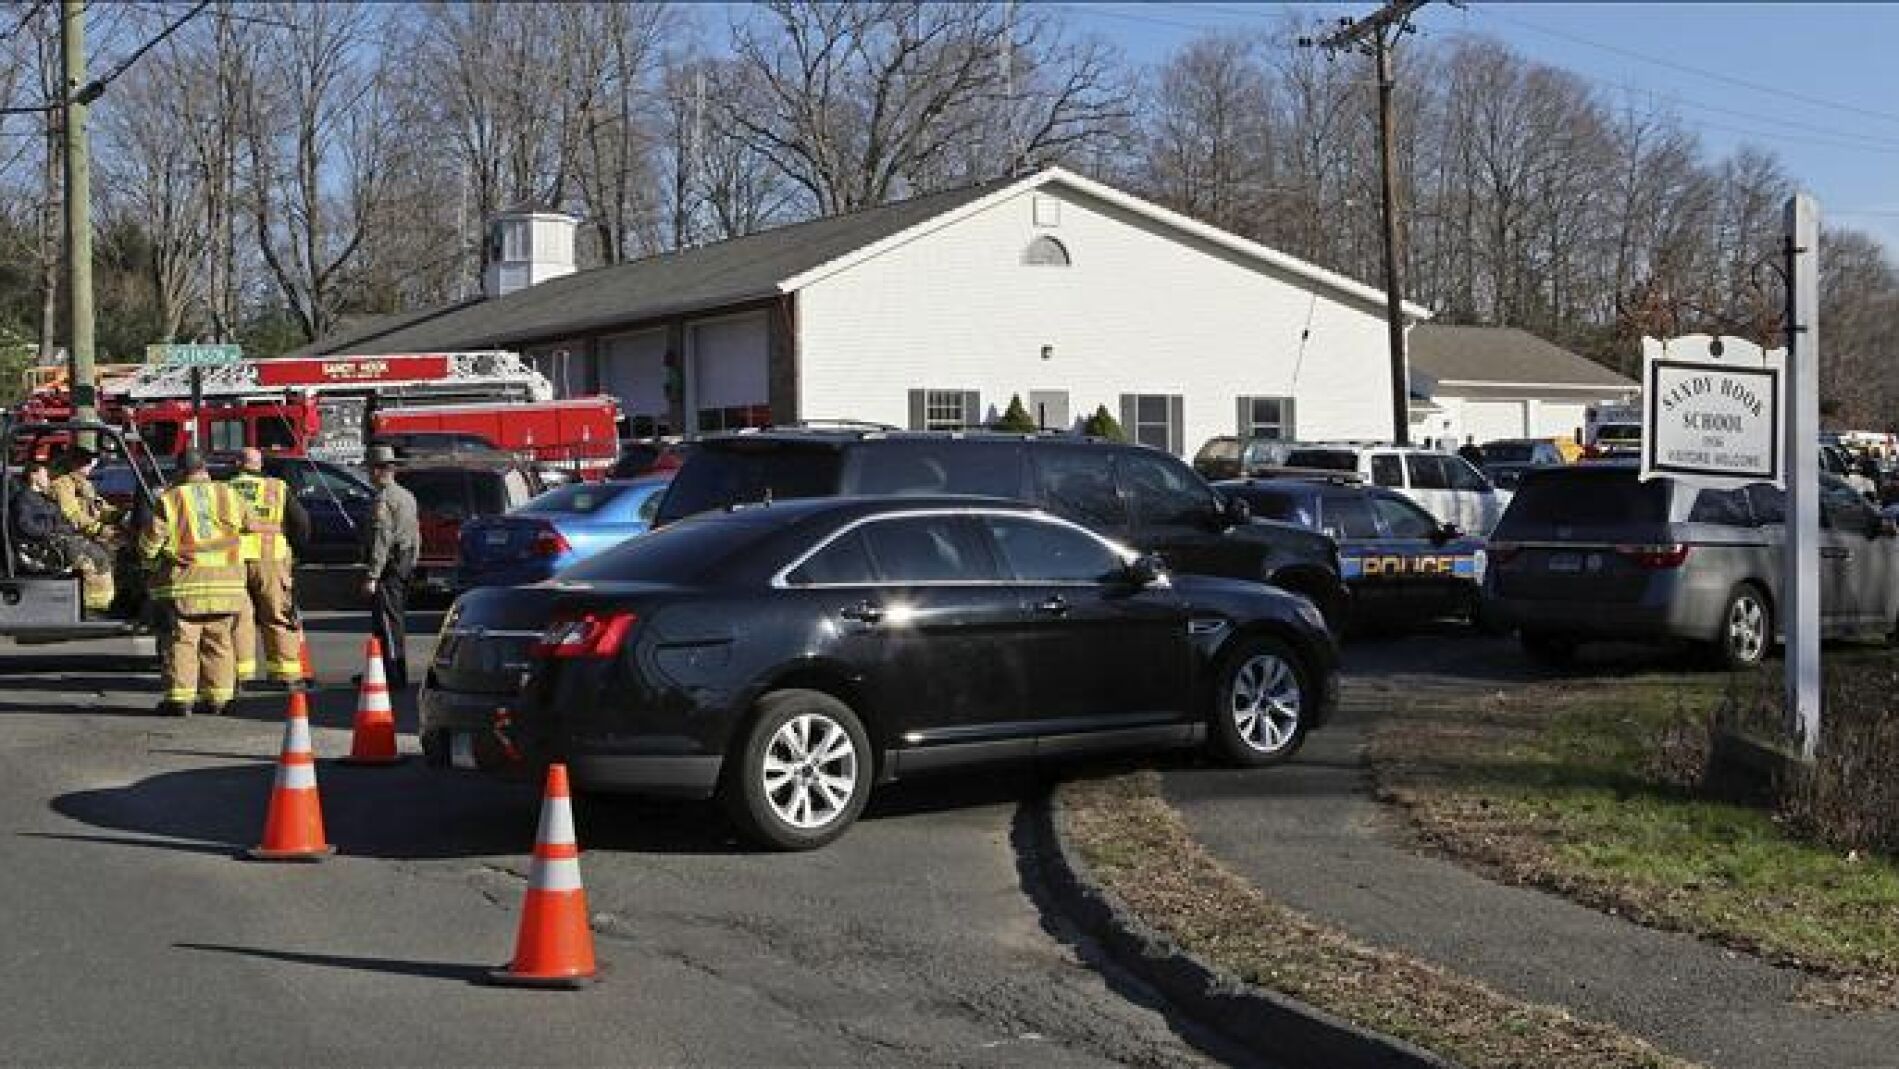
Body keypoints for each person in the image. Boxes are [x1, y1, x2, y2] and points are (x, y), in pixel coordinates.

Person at [140, 449, 254, 717]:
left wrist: (148, 560)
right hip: (227, 584)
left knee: (183, 642)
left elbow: (152, 540)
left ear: (181, 472)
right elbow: (250, 525)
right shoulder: (229, 494)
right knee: (219, 641)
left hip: (187, 583)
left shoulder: (171, 499)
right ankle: (219, 699)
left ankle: (180, 699)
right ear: (206, 468)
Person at [227, 448, 312, 688]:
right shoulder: (277, 487)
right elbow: (301, 522)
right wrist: (294, 548)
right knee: (277, 614)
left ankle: (239, 675)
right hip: (271, 559)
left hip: (234, 560)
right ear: (260, 464)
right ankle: (284, 674)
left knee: (239, 618)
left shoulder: (225, 489)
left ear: (237, 463)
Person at [10, 461, 115, 613]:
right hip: (44, 547)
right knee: (96, 559)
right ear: (34, 476)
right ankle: (93, 607)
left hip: (58, 541)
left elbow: (63, 520)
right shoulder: (24, 499)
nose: (48, 478)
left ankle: (101, 602)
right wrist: (53, 530)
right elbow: (26, 527)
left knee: (104, 551)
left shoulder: (42, 499)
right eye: (45, 474)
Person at [360, 444, 419, 689]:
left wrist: (373, 575)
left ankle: (393, 673)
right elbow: (416, 534)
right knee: (393, 619)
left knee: (387, 622)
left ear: (377, 471)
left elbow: (381, 540)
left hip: (389, 566)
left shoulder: (383, 500)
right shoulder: (407, 496)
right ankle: (384, 669)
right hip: (404, 561)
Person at [48, 444, 122, 551]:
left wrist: (117, 514)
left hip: (86, 535)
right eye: (85, 460)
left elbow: (99, 505)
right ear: (73, 463)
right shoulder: (61, 485)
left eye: (89, 460)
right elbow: (72, 515)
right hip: (69, 537)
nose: (89, 464)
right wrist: (99, 529)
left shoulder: (83, 483)